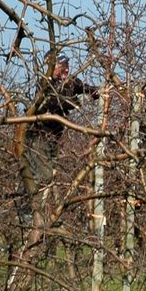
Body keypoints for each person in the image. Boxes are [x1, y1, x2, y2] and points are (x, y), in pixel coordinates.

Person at [20, 53, 98, 216]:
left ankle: (42, 212)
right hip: (39, 136)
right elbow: (57, 102)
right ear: (50, 67)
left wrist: (98, 92)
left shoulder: (69, 83)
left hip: (53, 137)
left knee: (49, 175)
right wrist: (77, 102)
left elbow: (87, 89)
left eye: (66, 66)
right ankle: (28, 213)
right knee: (43, 175)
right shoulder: (45, 85)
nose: (65, 70)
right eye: (61, 67)